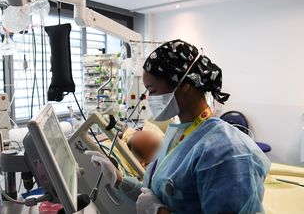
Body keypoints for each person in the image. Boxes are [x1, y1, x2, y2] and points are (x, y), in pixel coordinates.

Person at [86, 39, 270, 214]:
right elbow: (155, 197)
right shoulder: (180, 135)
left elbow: (160, 206)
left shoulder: (225, 151)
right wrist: (119, 180)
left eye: (153, 90)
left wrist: (162, 213)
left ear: (184, 85)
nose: (149, 99)